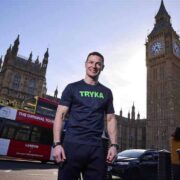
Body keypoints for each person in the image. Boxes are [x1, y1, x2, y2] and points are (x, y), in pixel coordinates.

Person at [53, 52, 118, 180]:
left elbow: (110, 119)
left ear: (102, 67)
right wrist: (57, 144)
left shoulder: (107, 92)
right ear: (85, 64)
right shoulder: (72, 88)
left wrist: (114, 145)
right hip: (72, 146)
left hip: (97, 148)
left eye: (98, 63)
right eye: (91, 62)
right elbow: (60, 116)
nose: (94, 66)